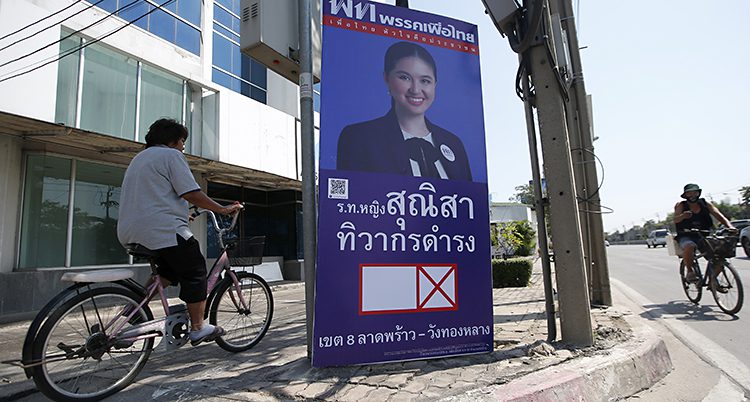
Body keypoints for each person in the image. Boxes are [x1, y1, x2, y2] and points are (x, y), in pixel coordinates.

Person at [117, 118, 243, 346]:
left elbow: (155, 197)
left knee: (167, 274)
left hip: (131, 230)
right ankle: (198, 327)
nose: (183, 146)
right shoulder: (171, 156)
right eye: (182, 141)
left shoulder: (139, 159)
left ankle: (129, 315)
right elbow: (191, 192)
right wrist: (222, 209)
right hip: (160, 230)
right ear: (172, 140)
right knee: (195, 266)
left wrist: (184, 214)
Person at [336, 41, 472, 181]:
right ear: (387, 78)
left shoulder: (453, 143)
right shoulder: (359, 137)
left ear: (435, 85)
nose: (415, 90)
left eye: (425, 81)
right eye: (404, 77)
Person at [673, 183, 735, 281]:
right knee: (689, 246)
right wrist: (683, 216)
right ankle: (690, 271)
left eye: (695, 192)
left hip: (704, 235)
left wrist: (730, 226)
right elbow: (675, 219)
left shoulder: (706, 204)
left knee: (719, 258)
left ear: (699, 193)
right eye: (690, 193)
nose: (693, 195)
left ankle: (713, 281)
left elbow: (719, 216)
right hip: (686, 235)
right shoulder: (681, 205)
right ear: (685, 195)